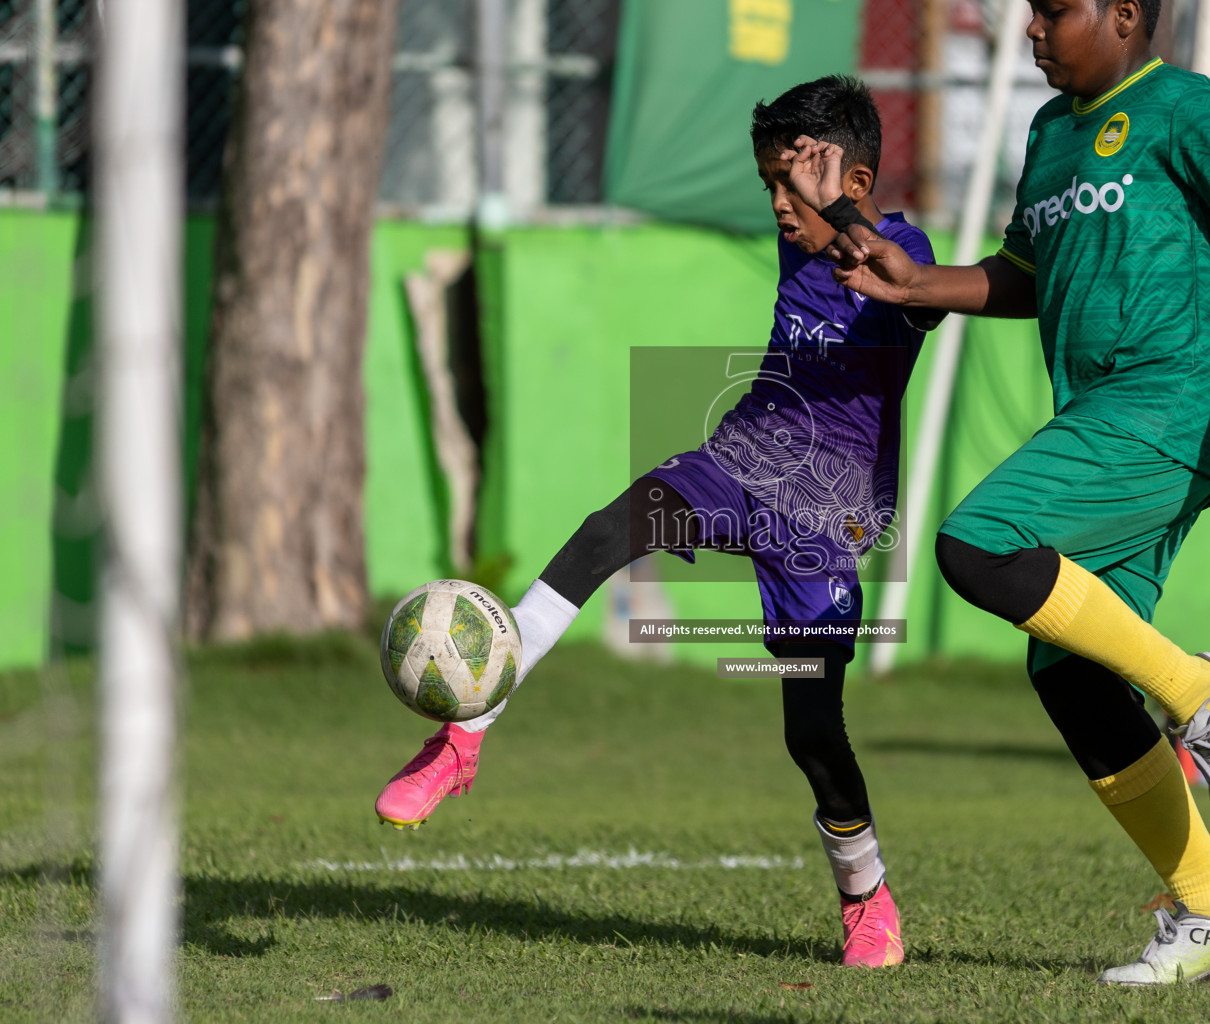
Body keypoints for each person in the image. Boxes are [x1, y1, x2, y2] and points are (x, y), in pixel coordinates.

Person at [784, 0, 1210, 985]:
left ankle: (1201, 689)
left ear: (1127, 15)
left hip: (1164, 408)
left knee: (978, 541)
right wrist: (914, 282)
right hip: (1105, 415)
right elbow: (1021, 274)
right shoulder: (1050, 133)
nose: (1033, 29)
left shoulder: (1179, 104)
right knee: (1069, 674)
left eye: (1056, 10)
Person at [374, 75, 943, 969]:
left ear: (855, 182)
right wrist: (810, 195)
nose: (778, 206)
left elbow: (926, 294)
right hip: (740, 460)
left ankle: (866, 896)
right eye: (769, 185)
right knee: (611, 529)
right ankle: (463, 735)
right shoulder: (802, 236)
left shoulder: (903, 249)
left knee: (812, 729)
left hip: (823, 516)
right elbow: (814, 219)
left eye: (789, 185)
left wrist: (847, 222)